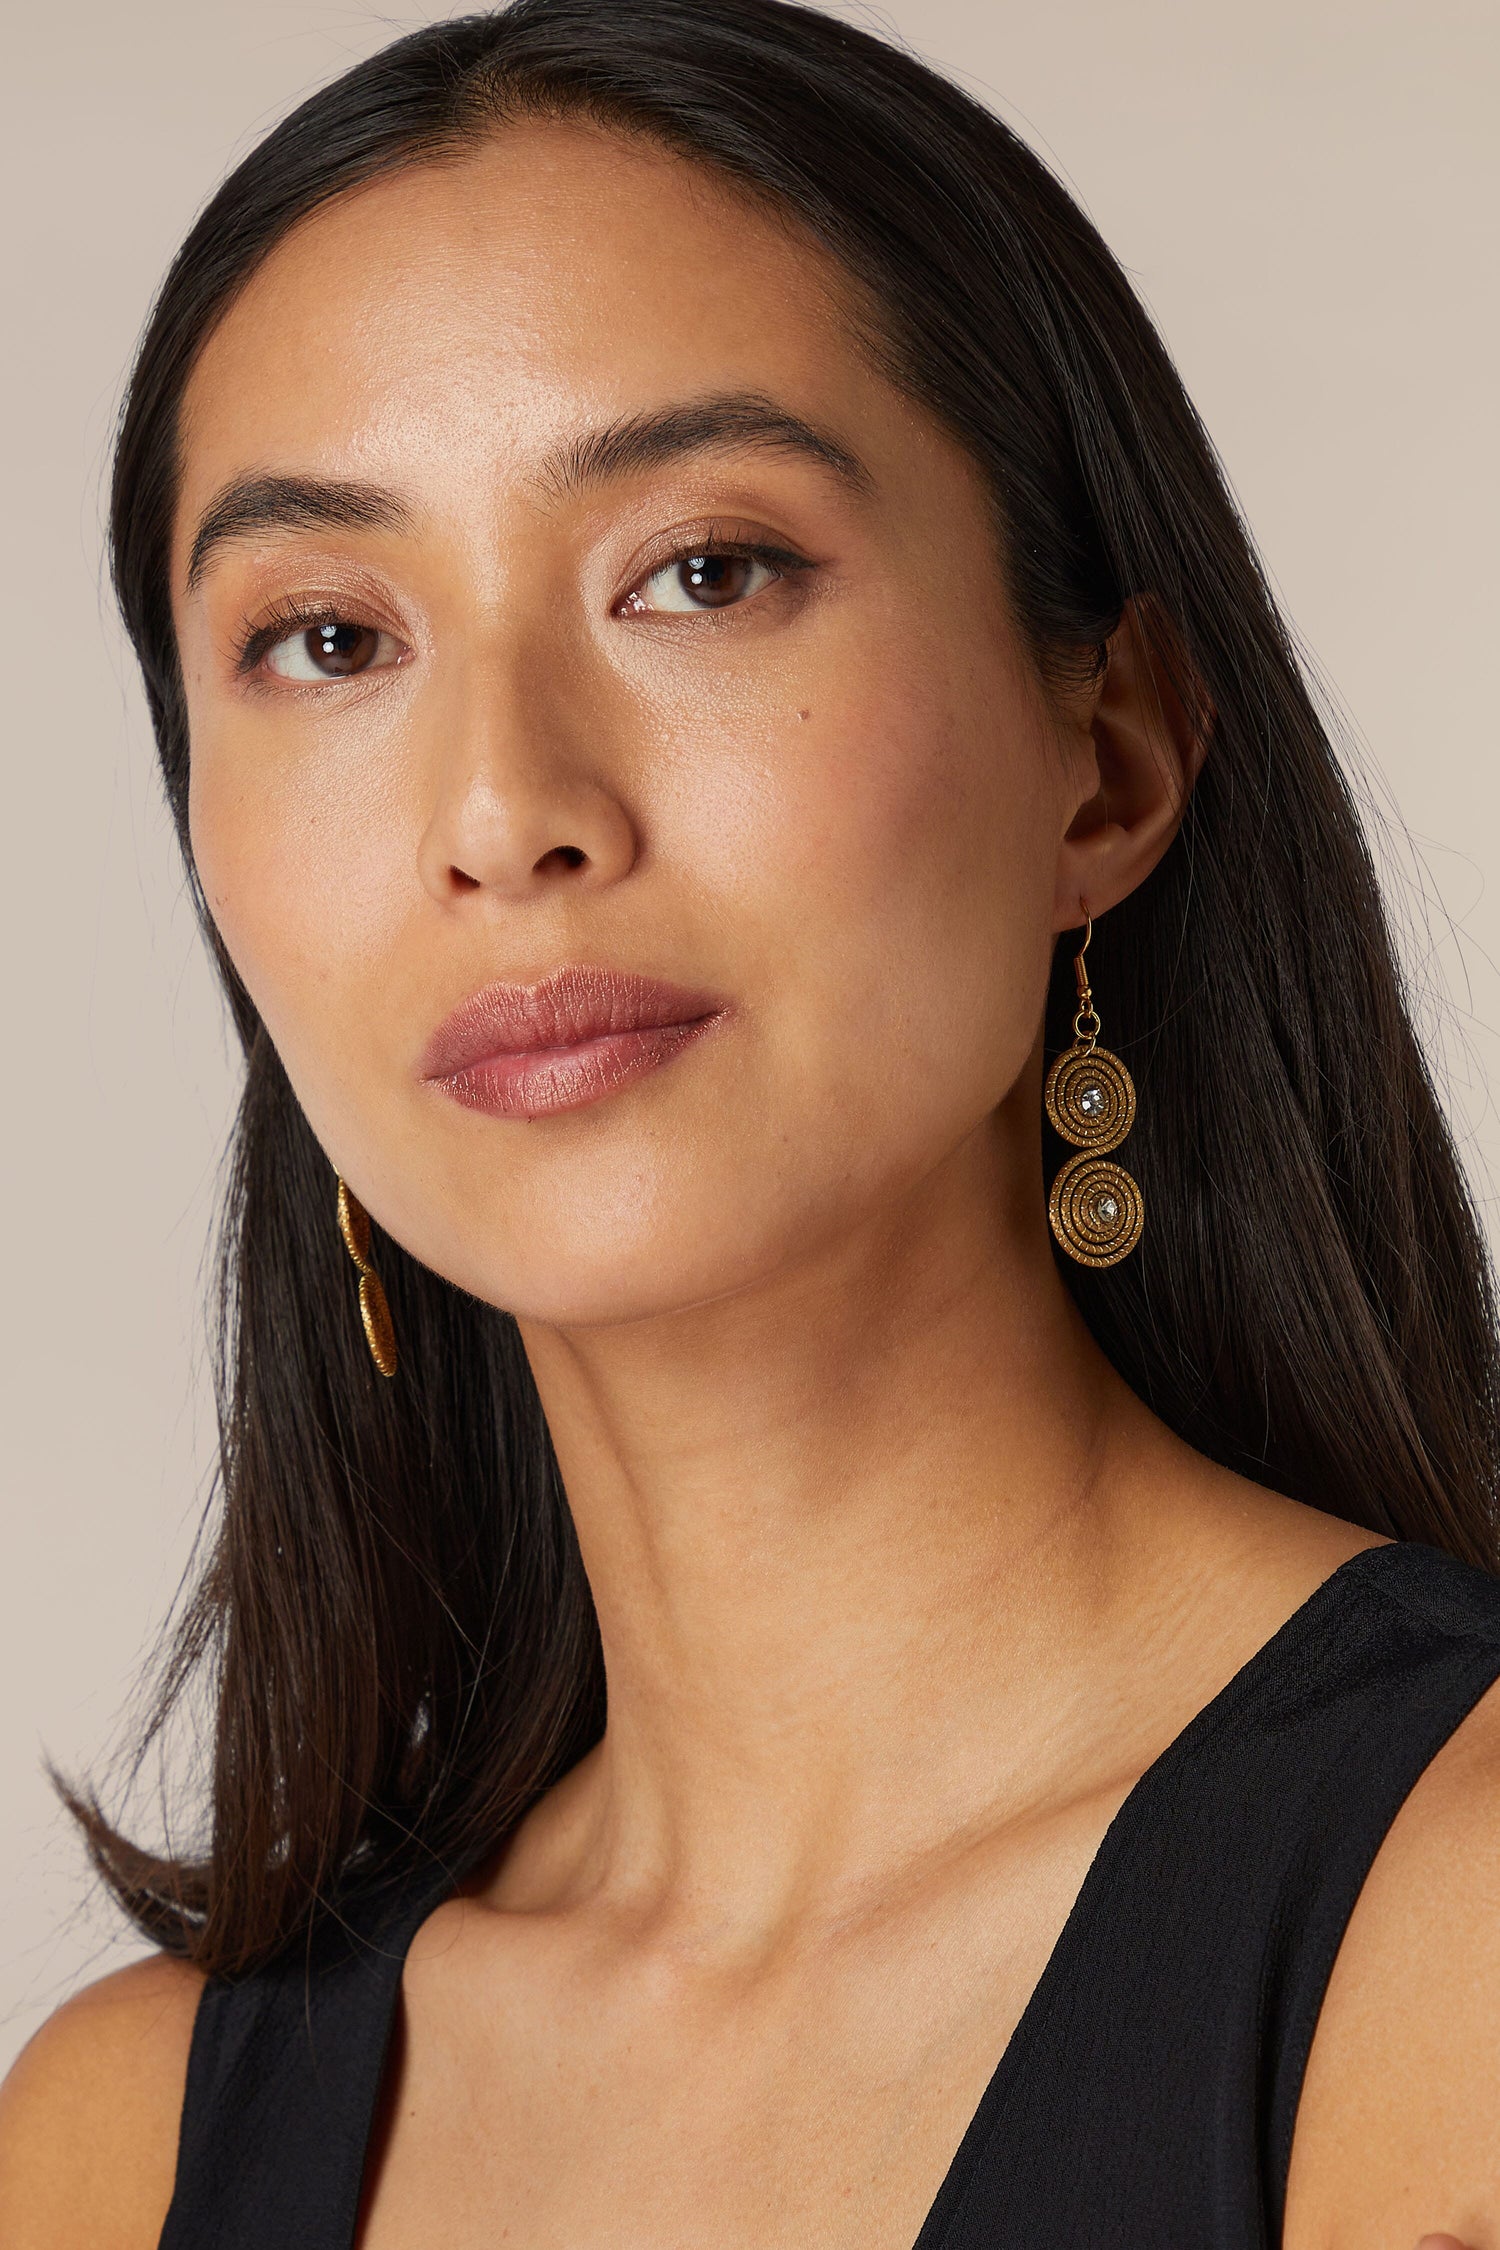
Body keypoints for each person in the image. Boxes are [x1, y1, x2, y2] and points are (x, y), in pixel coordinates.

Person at [2, 1, 1498, 2242]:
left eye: (702, 571)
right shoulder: (122, 2148)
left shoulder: (1452, 1936)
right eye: (326, 638)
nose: (506, 809)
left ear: (1109, 760)